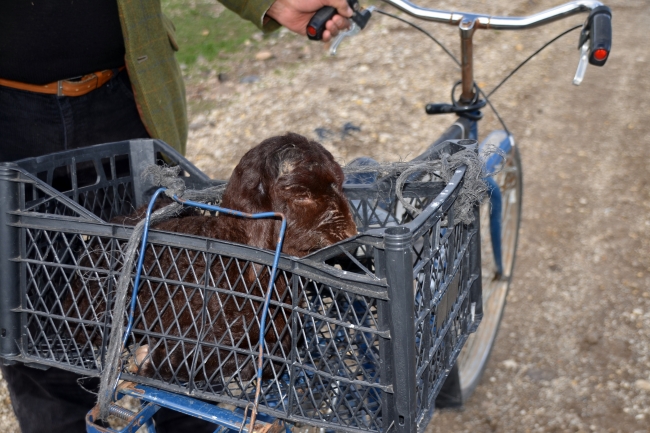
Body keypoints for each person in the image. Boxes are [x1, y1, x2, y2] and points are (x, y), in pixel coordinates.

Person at [0, 1, 351, 431]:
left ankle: (186, 412)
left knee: (188, 282)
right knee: (32, 316)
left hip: (124, 92)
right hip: (10, 114)